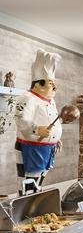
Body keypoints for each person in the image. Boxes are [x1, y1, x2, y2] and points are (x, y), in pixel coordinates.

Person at [14, 51, 63, 194]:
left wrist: (56, 139)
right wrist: (36, 129)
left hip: (47, 148)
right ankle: (25, 203)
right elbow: (21, 119)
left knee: (40, 177)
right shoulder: (28, 98)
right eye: (51, 84)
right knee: (28, 180)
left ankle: (35, 201)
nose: (54, 87)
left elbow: (53, 121)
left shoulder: (51, 101)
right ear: (38, 85)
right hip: (30, 148)